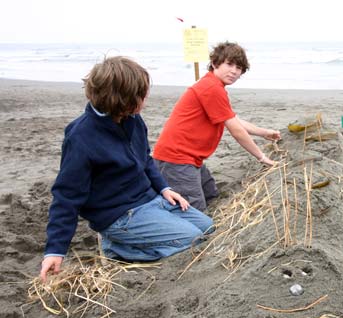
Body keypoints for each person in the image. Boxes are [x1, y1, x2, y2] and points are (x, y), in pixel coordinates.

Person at [40, 56, 214, 282]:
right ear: (123, 99)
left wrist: (164, 188)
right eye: (142, 95)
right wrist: (55, 250)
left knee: (209, 229)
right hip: (120, 216)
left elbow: (145, 159)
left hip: (151, 201)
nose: (146, 99)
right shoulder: (81, 136)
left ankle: (130, 241)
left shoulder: (132, 119)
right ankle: (116, 248)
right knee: (193, 240)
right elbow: (66, 195)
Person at [153, 41, 281, 212]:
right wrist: (262, 157)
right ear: (215, 63)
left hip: (191, 158)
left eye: (239, 68)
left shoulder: (213, 85)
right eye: (229, 64)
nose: (234, 71)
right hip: (177, 159)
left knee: (211, 195)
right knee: (194, 211)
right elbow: (235, 130)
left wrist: (264, 133)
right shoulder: (212, 87)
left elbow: (231, 119)